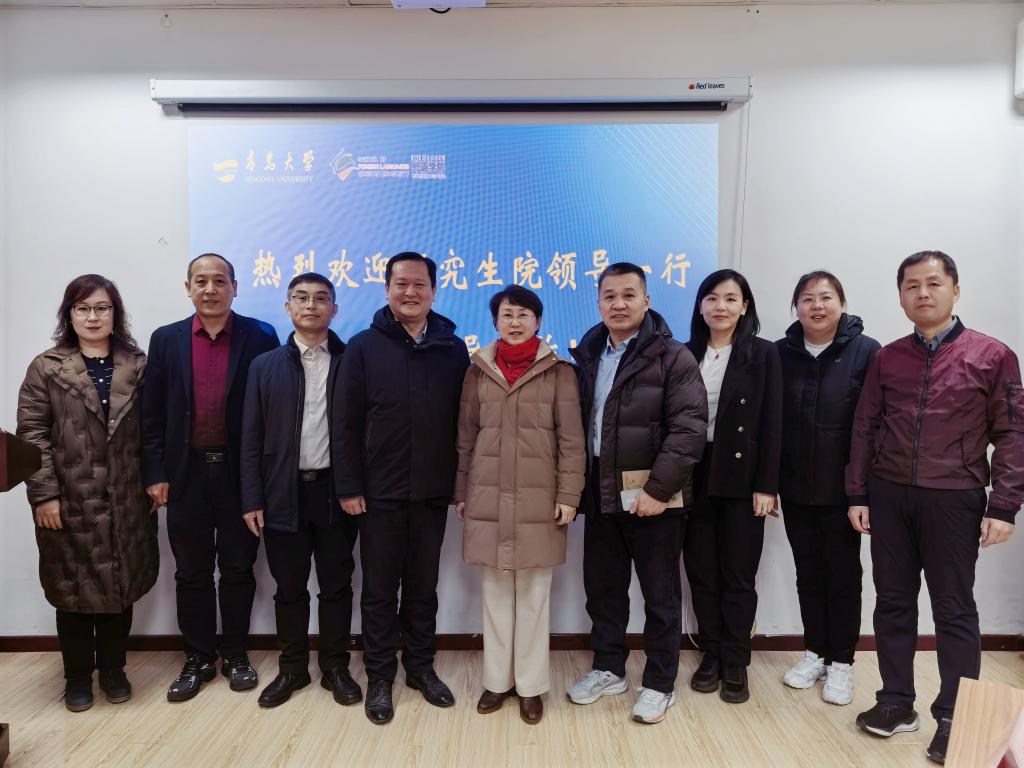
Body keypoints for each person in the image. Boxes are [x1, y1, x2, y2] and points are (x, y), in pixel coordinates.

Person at [847, 251, 1024, 765]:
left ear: (955, 290)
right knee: (892, 602)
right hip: (889, 495)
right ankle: (896, 701)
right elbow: (865, 427)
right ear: (901, 297)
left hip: (955, 497)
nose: (922, 293)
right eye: (911, 286)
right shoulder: (887, 358)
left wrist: (1005, 505)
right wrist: (858, 493)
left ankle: (955, 717)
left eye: (933, 283)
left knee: (954, 608)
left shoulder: (993, 355)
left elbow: (1012, 433)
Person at [566, 262, 707, 725]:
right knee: (603, 589)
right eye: (609, 296)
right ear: (598, 302)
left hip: (654, 498)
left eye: (629, 294)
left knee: (659, 595)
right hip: (601, 491)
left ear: (646, 300)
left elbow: (688, 430)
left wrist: (658, 489)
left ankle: (660, 683)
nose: (619, 304)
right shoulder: (589, 354)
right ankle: (609, 669)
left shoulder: (673, 357)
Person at [333, 251, 470, 725]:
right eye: (401, 284)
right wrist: (349, 486)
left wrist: (459, 484)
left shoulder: (452, 348)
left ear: (434, 290)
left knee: (423, 588)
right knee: (378, 590)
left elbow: (462, 424)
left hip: (432, 491)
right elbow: (345, 423)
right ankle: (379, 677)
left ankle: (420, 669)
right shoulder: (363, 346)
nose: (410, 292)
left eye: (419, 284)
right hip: (378, 493)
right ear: (387, 289)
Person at [16, 274, 159, 712]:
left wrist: (155, 481)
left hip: (127, 498)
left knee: (120, 588)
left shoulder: (138, 364)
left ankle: (113, 670)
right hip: (69, 499)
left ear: (115, 314)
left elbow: (156, 431)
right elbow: (32, 435)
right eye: (83, 308)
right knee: (73, 591)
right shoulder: (47, 367)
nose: (93, 316)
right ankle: (77, 677)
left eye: (102, 308)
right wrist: (44, 495)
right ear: (70, 314)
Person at [141, 253, 279, 702]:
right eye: (200, 281)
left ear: (235, 287)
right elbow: (152, 414)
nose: (210, 289)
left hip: (241, 476)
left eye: (220, 281)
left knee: (238, 569)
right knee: (191, 572)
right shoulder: (166, 339)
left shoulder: (261, 336)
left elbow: (272, 413)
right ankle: (198, 658)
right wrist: (156, 473)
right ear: (188, 288)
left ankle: (236, 654)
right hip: (185, 476)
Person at [454, 285, 586, 725]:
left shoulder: (559, 373)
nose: (515, 322)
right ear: (495, 322)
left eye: (524, 314)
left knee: (533, 597)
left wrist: (568, 496)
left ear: (538, 321)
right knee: (494, 595)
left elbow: (572, 442)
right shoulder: (477, 371)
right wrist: (461, 491)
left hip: (538, 501)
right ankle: (496, 682)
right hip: (488, 497)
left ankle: (530, 687)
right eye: (507, 314)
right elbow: (465, 438)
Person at [239, 273, 360, 709]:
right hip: (281, 494)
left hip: (336, 494)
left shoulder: (352, 362)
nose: (311, 305)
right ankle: (292, 669)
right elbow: (251, 438)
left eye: (321, 298)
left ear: (334, 309)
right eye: (301, 298)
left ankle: (335, 667)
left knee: (336, 586)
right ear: (288, 307)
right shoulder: (264, 366)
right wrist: (252, 498)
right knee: (289, 588)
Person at [775, 271, 880, 705]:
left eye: (825, 297)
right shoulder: (780, 353)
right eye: (807, 299)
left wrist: (861, 492)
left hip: (843, 492)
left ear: (842, 303)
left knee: (842, 576)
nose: (816, 306)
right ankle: (815, 653)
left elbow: (871, 426)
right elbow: (771, 422)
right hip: (795, 488)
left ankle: (842, 662)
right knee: (808, 574)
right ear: (796, 307)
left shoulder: (866, 351)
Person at [684, 268, 782, 705]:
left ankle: (736, 658)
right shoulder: (684, 353)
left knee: (739, 574)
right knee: (701, 571)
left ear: (744, 307)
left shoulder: (763, 353)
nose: (719, 306)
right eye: (711, 298)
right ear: (700, 306)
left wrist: (767, 486)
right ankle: (711, 653)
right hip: (691, 474)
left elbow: (773, 423)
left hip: (742, 478)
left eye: (729, 298)